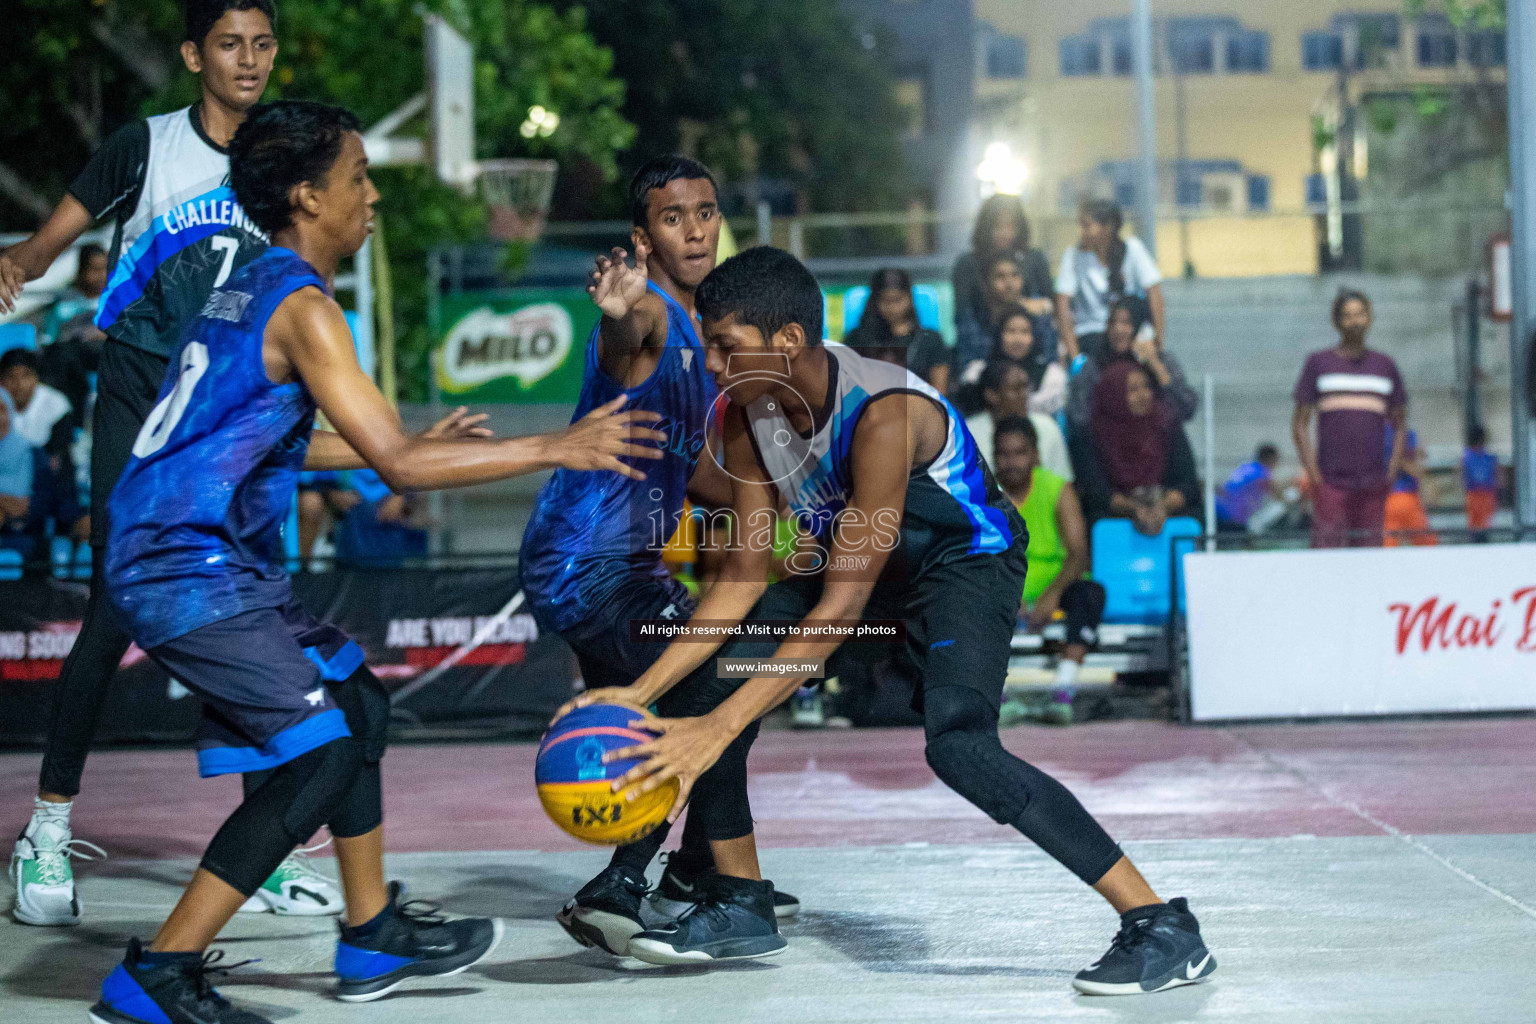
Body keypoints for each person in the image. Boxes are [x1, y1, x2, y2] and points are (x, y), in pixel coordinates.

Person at [89, 99, 665, 1024]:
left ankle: (370, 934)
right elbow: (401, 468)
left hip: (196, 553)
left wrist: (390, 440)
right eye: (358, 177)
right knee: (317, 754)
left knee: (358, 701)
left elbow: (247, 439)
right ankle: (159, 969)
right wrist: (554, 445)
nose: (373, 195)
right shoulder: (307, 309)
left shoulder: (248, 285)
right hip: (180, 563)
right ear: (310, 196)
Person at [559, 246, 1217, 994]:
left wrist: (713, 731)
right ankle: (736, 897)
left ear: (788, 343)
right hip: (859, 564)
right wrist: (636, 694)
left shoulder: (882, 414)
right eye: (706, 341)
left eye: (724, 345)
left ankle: (1160, 924)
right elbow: (741, 579)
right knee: (714, 679)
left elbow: (839, 612)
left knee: (960, 746)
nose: (709, 360)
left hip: (961, 564)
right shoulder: (744, 412)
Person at [2, 0, 318, 928]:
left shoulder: (284, 158)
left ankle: (263, 848)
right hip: (142, 391)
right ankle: (47, 829)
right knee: (116, 603)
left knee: (250, 602)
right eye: (230, 44)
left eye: (262, 44)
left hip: (238, 406)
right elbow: (42, 244)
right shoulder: (145, 148)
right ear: (192, 55)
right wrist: (13, 264)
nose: (249, 60)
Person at [519, 157, 799, 959]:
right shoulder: (647, 315)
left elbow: (694, 469)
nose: (696, 229)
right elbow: (622, 333)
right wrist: (614, 311)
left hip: (624, 567)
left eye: (705, 212)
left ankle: (684, 870)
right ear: (644, 238)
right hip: (587, 565)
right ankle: (643, 881)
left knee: (707, 700)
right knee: (724, 680)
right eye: (673, 218)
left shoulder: (708, 338)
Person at [992, 416, 1105, 727]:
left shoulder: (1058, 489)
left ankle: (1063, 692)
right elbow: (977, 556)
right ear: (993, 456)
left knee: (1091, 593)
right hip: (1003, 587)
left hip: (1054, 587)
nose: (1011, 461)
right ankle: (996, 698)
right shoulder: (983, 495)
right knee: (964, 596)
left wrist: (1051, 595)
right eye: (1003, 453)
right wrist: (1009, 593)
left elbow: (1078, 553)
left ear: (1036, 455)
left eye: (1019, 452)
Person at [1291, 289, 1406, 548]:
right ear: (1337, 321)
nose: (1355, 321)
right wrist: (1314, 475)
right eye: (1347, 316)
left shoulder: (1385, 366)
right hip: (1331, 482)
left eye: (1360, 314)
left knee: (1368, 558)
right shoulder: (1319, 364)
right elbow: (1300, 423)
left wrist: (1392, 470)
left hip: (1374, 483)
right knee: (1328, 556)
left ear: (1369, 318)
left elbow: (1400, 424)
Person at [1074, 361, 1199, 535]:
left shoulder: (1165, 424)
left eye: (1146, 387)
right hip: (1116, 514)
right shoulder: (1093, 436)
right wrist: (1133, 509)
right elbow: (1096, 492)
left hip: (1164, 511)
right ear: (1113, 395)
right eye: (1133, 390)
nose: (1143, 396)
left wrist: (1162, 507)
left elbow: (1188, 483)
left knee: (1193, 513)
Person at [1055, 199, 1165, 363]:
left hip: (1130, 332)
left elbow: (1154, 293)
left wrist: (1157, 342)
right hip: (1090, 335)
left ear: (1107, 227)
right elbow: (1062, 306)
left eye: (1087, 226)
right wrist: (1075, 358)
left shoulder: (1132, 248)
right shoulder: (1073, 256)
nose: (1081, 232)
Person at [1067, 296, 1196, 431]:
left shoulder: (1162, 361)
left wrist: (1155, 365)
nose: (1118, 329)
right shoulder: (1094, 366)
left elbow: (1187, 408)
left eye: (1126, 323)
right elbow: (1078, 417)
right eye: (1113, 323)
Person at [952, 193, 1054, 349]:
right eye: (998, 226)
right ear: (986, 227)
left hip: (1029, 343)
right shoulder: (968, 264)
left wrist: (1043, 306)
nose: (1005, 233)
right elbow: (963, 313)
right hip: (982, 339)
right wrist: (1021, 303)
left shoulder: (1034, 259)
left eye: (1011, 226)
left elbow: (1048, 302)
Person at [956, 251, 1056, 405]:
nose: (1009, 284)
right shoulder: (974, 318)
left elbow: (1049, 358)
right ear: (985, 283)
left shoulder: (1037, 315)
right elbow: (967, 369)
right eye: (1000, 277)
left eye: (1015, 275)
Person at [843, 267, 950, 393]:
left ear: (909, 298)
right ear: (874, 301)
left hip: (918, 408)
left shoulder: (930, 340)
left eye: (897, 300)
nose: (892, 307)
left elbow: (939, 391)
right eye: (885, 301)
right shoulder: (856, 339)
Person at [965, 358, 1073, 483]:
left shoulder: (1048, 427)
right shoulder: (968, 433)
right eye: (1016, 389)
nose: (1025, 395)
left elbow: (1063, 484)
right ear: (991, 395)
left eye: (1026, 387)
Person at [991, 305, 1066, 417]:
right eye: (1011, 331)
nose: (1018, 339)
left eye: (1025, 332)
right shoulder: (982, 373)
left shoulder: (1050, 376)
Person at [1, 348, 73, 453]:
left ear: (36, 377)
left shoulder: (56, 405)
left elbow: (56, 457)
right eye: (11, 377)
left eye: (26, 376)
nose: (19, 384)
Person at [40, 243, 109, 346]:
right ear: (82, 271)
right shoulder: (63, 307)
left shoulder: (118, 304)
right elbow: (47, 341)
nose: (101, 276)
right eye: (95, 269)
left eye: (105, 268)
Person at [1383, 426, 1436, 547]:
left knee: (1387, 545)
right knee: (1427, 545)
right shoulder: (1406, 434)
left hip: (1388, 499)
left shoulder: (1379, 433)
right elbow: (1413, 468)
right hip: (1405, 497)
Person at [1215, 444, 1283, 533]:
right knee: (1278, 508)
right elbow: (1277, 492)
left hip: (1220, 507)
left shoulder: (1247, 467)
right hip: (1233, 514)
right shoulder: (1262, 472)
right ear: (1269, 458)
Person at [1462, 425, 1498, 542]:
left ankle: (1480, 540)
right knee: (1479, 524)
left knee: (1481, 524)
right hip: (1478, 494)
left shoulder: (1467, 457)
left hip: (1482, 494)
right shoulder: (1484, 457)